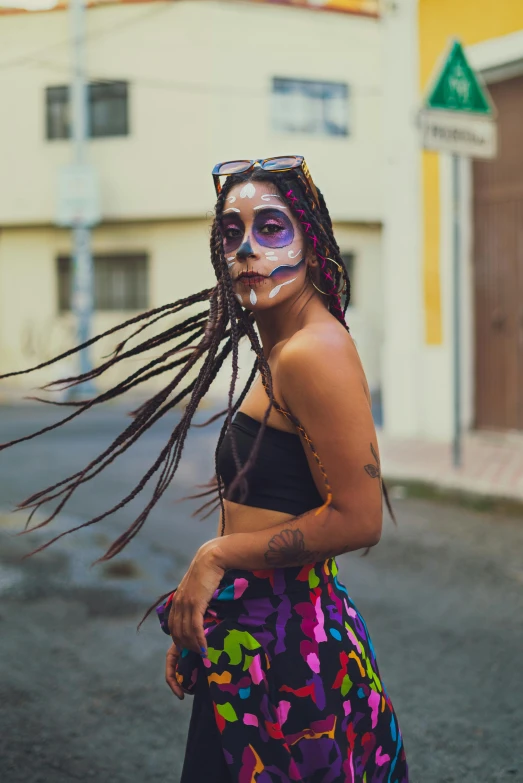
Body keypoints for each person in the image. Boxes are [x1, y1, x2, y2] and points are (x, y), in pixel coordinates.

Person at [0, 156, 408, 783]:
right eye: (231, 232)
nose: (247, 248)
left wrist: (213, 558)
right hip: (259, 641)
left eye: (271, 227)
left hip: (290, 656)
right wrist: (210, 615)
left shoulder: (311, 351)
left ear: (312, 239)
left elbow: (358, 520)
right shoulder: (285, 344)